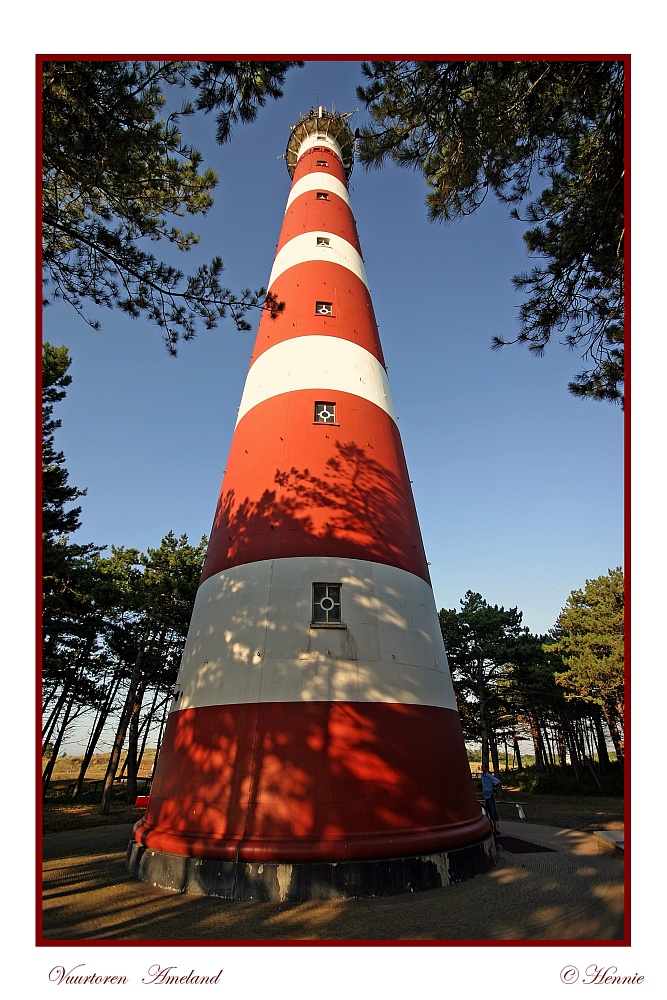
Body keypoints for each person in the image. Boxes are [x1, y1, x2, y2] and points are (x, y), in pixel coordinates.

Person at [481, 764, 501, 833]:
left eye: (483, 767)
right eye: (481, 767)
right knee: (488, 810)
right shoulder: (482, 776)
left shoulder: (488, 776)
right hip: (486, 796)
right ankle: (492, 825)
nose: (482, 768)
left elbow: (498, 782)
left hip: (490, 795)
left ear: (486, 768)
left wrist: (493, 788)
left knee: (493, 810)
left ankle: (496, 825)